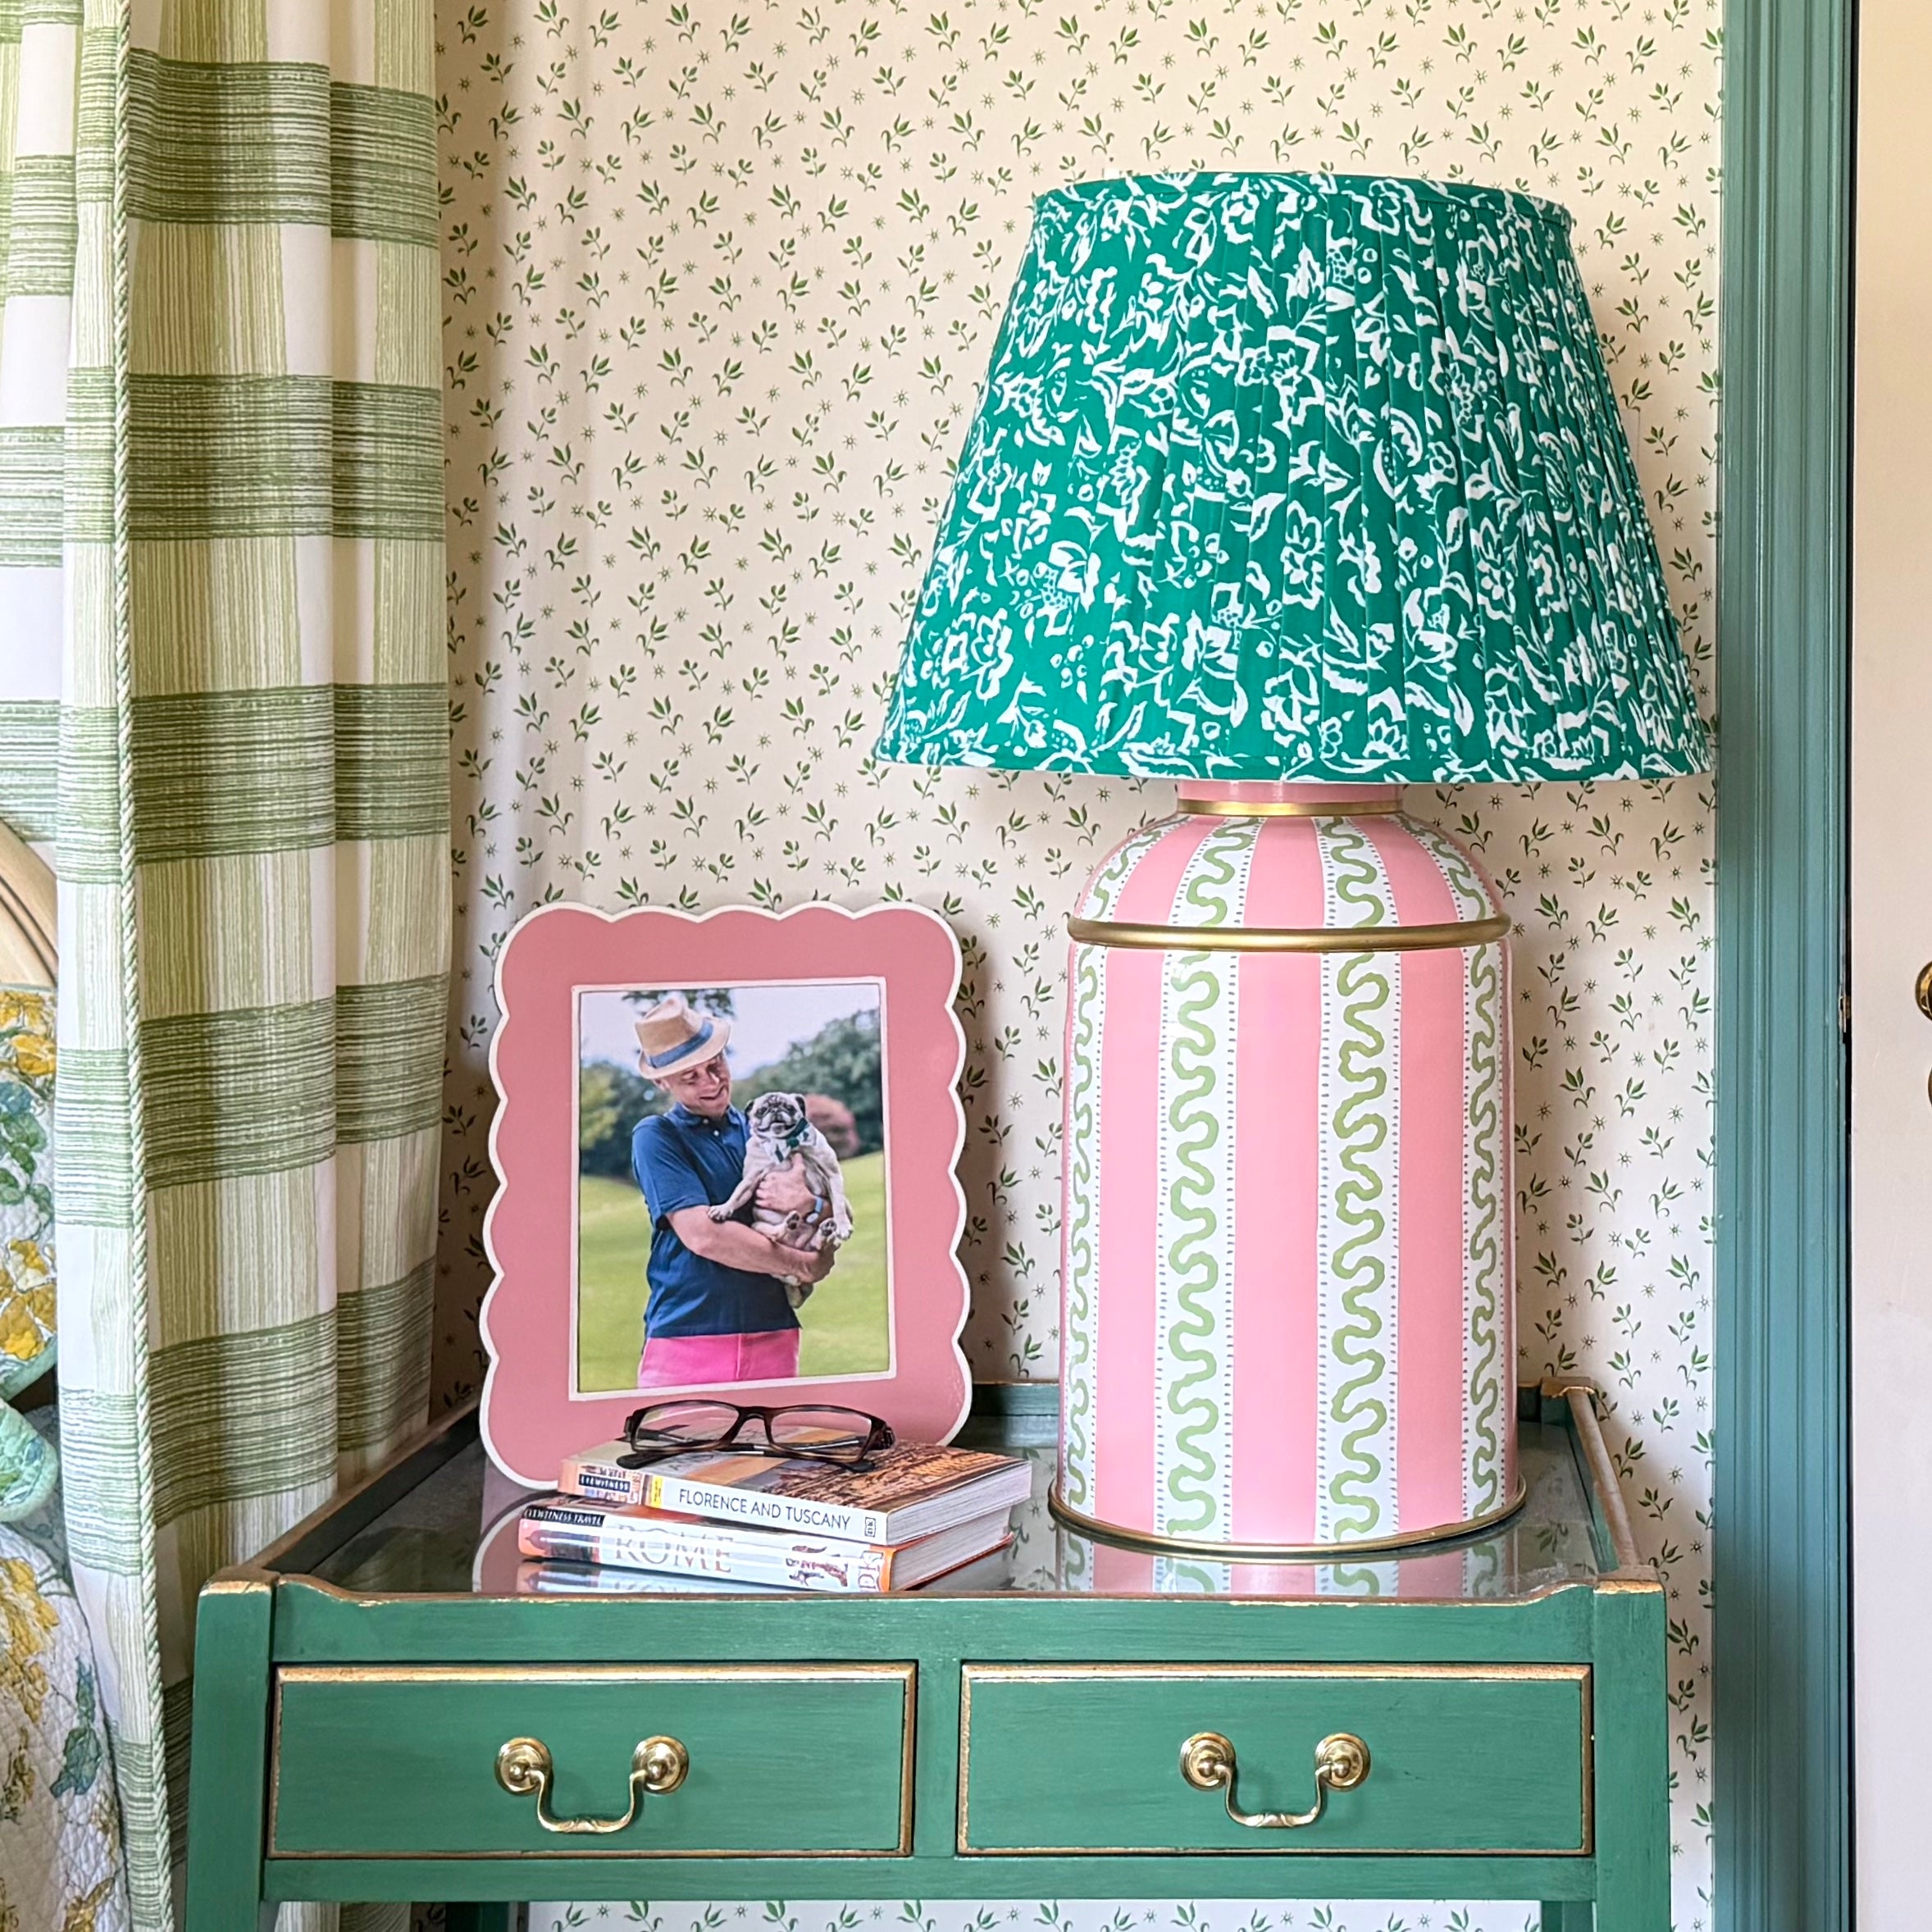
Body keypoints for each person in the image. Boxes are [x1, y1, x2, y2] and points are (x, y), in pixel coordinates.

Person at [627, 995, 832, 1388]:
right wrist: (802, 1265)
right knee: (684, 1450)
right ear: (660, 1080)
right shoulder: (656, 1136)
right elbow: (704, 1235)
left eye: (715, 1064)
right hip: (687, 1335)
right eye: (691, 1077)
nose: (712, 1082)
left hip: (774, 1329)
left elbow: (819, 1203)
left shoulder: (763, 1129)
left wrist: (815, 1206)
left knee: (775, 1452)